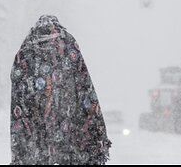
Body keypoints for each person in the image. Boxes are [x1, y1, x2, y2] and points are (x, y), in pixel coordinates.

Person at [10, 15, 111, 165]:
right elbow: (84, 83)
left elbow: (18, 90)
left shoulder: (25, 50)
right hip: (68, 120)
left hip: (36, 122)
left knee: (38, 154)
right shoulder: (68, 45)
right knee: (71, 154)